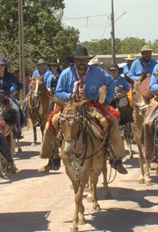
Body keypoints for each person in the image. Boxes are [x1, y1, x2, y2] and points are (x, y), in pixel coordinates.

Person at [45, 46, 128, 174]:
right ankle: (52, 158)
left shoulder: (98, 72)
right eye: (79, 60)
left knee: (112, 121)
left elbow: (111, 82)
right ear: (74, 61)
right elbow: (58, 92)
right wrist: (70, 96)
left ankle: (115, 156)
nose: (82, 62)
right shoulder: (66, 73)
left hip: (92, 106)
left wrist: (107, 101)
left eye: (84, 60)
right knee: (51, 123)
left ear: (88, 60)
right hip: (70, 107)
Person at [0, 57, 23, 137]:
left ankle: (17, 131)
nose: (0, 67)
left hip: (7, 96)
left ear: (5, 66)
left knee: (16, 110)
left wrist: (13, 94)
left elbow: (20, 85)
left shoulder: (10, 76)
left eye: (2, 65)